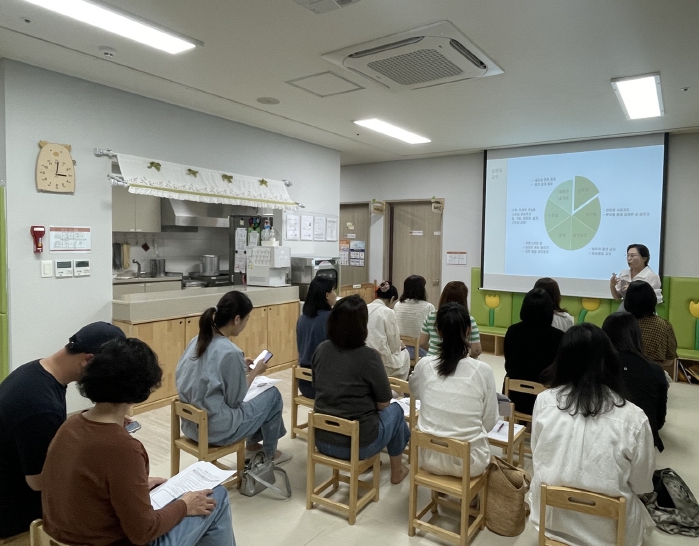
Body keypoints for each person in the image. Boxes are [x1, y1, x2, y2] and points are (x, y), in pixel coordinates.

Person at [41, 338, 235, 546]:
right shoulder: (122, 448)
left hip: (63, 536)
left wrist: (135, 488)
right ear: (142, 389)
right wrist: (184, 506)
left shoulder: (70, 425)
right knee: (217, 496)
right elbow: (143, 532)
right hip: (108, 541)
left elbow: (90, 484)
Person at [528, 324, 655, 546]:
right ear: (609, 361)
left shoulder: (545, 401)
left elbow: (537, 455)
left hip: (550, 519)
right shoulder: (634, 418)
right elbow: (643, 484)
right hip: (610, 533)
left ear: (562, 359)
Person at [0, 322, 125, 539]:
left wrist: (92, 420)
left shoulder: (34, 372)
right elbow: (38, 482)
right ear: (88, 360)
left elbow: (45, 433)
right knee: (113, 502)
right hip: (14, 511)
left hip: (9, 484)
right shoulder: (40, 406)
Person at [176, 290, 289, 463]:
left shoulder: (197, 340)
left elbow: (203, 370)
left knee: (259, 397)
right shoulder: (230, 351)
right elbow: (235, 401)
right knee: (272, 395)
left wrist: (239, 366)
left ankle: (253, 445)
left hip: (190, 426)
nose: (245, 324)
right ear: (237, 319)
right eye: (247, 319)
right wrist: (255, 372)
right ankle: (269, 455)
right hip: (216, 430)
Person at [312, 295, 410, 484]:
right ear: (362, 326)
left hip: (322, 440)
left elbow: (318, 386)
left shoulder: (321, 349)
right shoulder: (369, 356)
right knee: (396, 411)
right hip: (358, 445)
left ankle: (376, 459)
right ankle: (397, 471)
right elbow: (384, 403)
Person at [410, 303, 498, 477]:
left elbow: (415, 392)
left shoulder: (425, 365)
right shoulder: (482, 370)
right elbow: (490, 420)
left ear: (438, 332)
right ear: (468, 331)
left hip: (428, 457)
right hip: (469, 463)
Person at [602, 312, 668, 451]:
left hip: (603, 436)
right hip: (643, 438)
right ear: (637, 336)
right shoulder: (655, 369)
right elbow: (659, 420)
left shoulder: (596, 366)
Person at [504, 289, 564, 414]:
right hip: (543, 400)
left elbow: (508, 363)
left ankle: (507, 418)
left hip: (513, 395)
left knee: (508, 376)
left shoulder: (513, 331)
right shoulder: (558, 337)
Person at [624, 280, 678, 373]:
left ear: (627, 301)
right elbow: (670, 360)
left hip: (623, 374)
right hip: (652, 374)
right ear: (653, 299)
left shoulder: (620, 324)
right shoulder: (664, 325)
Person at [296, 276, 337, 398]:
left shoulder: (302, 319)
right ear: (327, 295)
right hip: (325, 384)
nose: (336, 294)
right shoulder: (332, 319)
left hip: (304, 384)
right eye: (334, 290)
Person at [420, 281, 483, 359]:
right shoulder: (468, 319)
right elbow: (476, 350)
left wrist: (434, 351)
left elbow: (422, 343)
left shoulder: (431, 316)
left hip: (432, 359)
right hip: (459, 359)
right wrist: (469, 357)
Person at [366, 281, 411, 380]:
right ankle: (398, 387)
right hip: (381, 363)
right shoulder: (388, 312)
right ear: (392, 299)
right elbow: (394, 347)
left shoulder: (365, 307)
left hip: (363, 359)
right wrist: (400, 346)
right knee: (405, 354)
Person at [393, 275, 435, 360]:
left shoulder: (397, 305)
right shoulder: (428, 307)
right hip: (420, 350)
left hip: (401, 349)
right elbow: (432, 334)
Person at [610, 244, 663, 309]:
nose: (629, 258)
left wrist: (633, 290)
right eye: (628, 255)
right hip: (625, 309)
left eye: (632, 255)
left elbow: (654, 300)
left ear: (644, 258)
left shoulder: (652, 276)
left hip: (643, 311)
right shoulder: (624, 274)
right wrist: (612, 286)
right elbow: (617, 298)